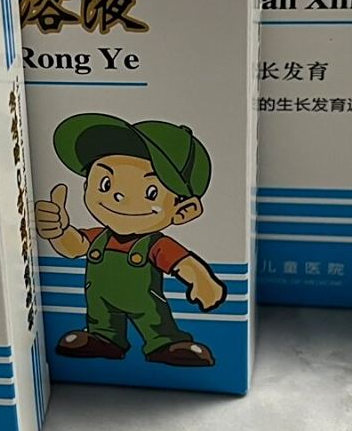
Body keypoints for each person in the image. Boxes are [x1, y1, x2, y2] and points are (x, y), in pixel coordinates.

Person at [35, 113, 226, 366]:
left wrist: (203, 281)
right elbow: (74, 247)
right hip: (101, 302)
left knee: (154, 319)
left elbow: (182, 263)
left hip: (144, 303)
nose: (119, 197)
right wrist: (58, 231)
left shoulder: (156, 245)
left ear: (183, 211)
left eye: (150, 192)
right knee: (102, 318)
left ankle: (166, 343)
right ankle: (104, 338)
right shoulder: (99, 237)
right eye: (106, 183)